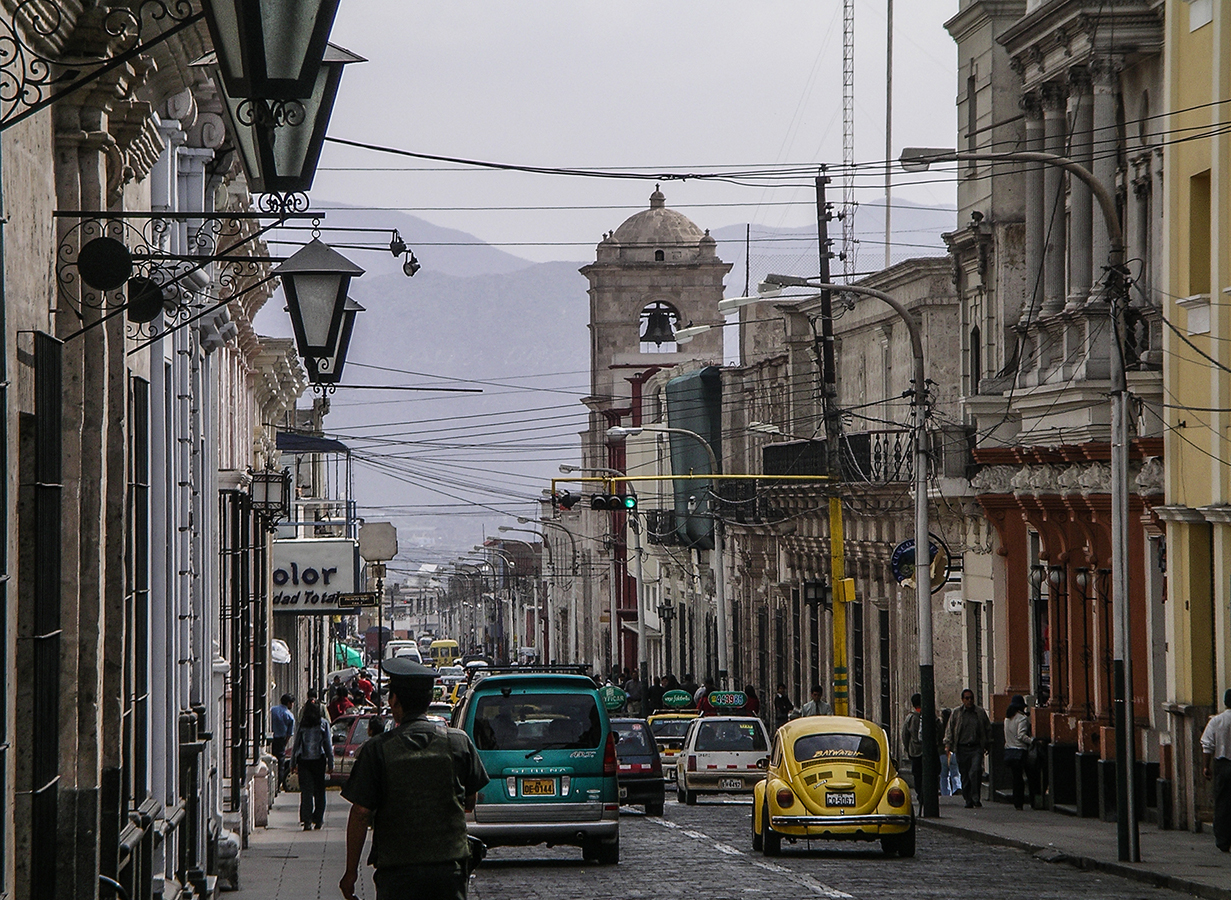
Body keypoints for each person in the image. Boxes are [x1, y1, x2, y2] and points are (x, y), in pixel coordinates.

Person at [340, 659, 490, 900]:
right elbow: (470, 801)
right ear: (428, 702)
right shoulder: (458, 743)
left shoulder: (377, 750)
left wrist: (350, 873)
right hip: (448, 868)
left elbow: (360, 813)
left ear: (394, 700)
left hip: (398, 870)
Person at [944, 688, 991, 808]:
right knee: (964, 775)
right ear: (962, 700)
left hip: (976, 748)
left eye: (971, 698)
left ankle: (976, 797)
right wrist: (948, 744)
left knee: (975, 771)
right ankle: (968, 799)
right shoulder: (957, 713)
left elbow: (987, 728)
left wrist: (988, 743)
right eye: (967, 698)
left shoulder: (979, 712)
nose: (969, 701)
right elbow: (950, 729)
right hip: (961, 748)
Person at [291, 698, 334, 829]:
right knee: (320, 791)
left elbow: (296, 744)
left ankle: (307, 820)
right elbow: (328, 744)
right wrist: (330, 763)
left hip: (304, 761)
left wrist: (293, 763)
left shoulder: (303, 725)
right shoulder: (323, 724)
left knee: (306, 792)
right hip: (319, 761)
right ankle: (318, 819)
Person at [1200, 687, 1231, 853]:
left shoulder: (1217, 721)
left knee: (1223, 803)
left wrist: (1206, 766)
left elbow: (1207, 745)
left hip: (1223, 764)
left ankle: (1223, 839)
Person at [1002, 694, 1034, 810]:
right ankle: (1031, 801)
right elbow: (1021, 735)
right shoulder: (1022, 719)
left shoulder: (1007, 719)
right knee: (1028, 778)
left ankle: (1017, 802)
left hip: (1010, 750)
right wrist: (1031, 741)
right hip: (1020, 751)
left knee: (1016, 778)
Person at [270, 694, 295, 791]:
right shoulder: (289, 715)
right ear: (288, 703)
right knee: (280, 763)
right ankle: (277, 785)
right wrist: (285, 743)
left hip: (271, 738)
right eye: (291, 703)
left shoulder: (273, 710)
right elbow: (289, 733)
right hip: (281, 740)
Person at [903, 693, 925, 798]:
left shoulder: (910, 718)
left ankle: (920, 792)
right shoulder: (928, 716)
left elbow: (905, 735)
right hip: (925, 752)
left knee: (917, 774)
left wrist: (908, 749)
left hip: (915, 751)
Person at [938, 708, 961, 796]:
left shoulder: (940, 726)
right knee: (955, 772)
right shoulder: (954, 725)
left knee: (944, 775)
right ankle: (957, 787)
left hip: (942, 753)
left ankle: (946, 792)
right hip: (953, 751)